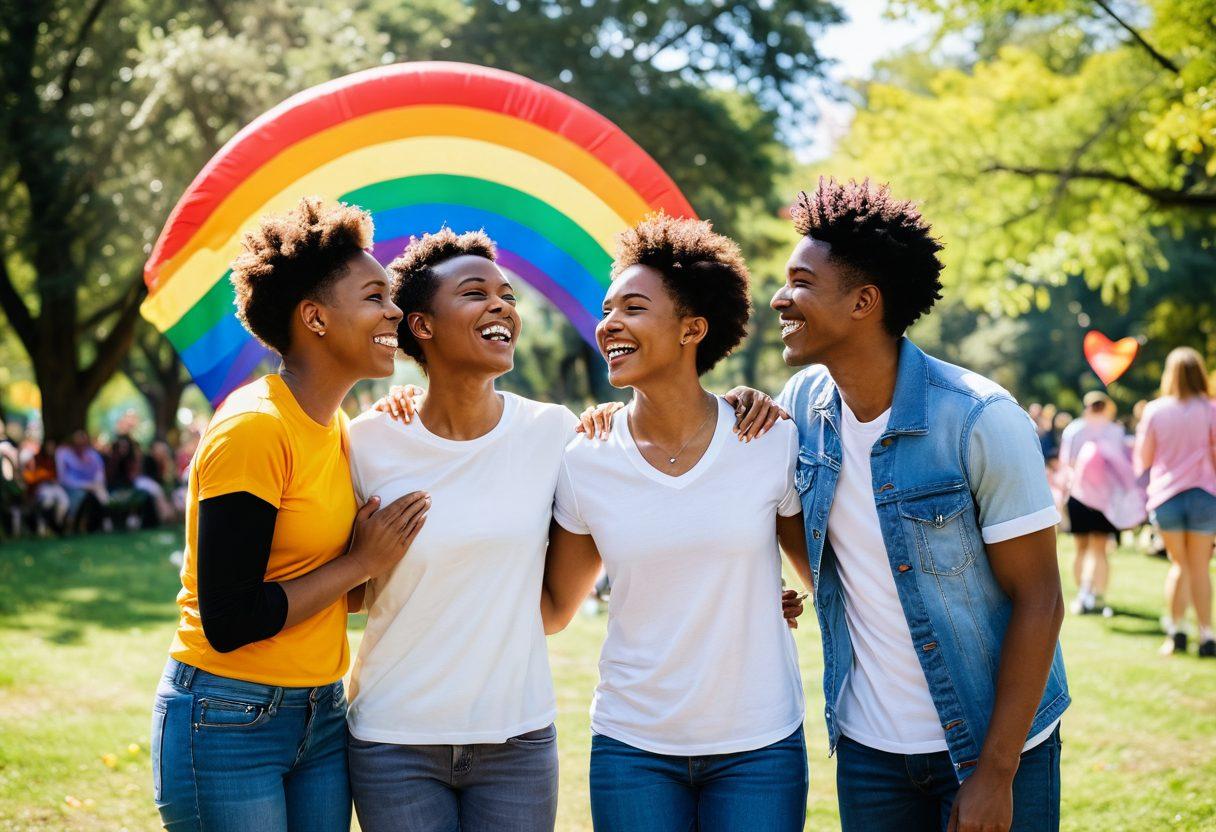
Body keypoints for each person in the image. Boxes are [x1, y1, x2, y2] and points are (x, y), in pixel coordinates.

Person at [351, 227, 796, 832]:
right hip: (406, 734)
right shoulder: (373, 441)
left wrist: (746, 595)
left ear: (693, 328)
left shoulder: (559, 435)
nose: (502, 305)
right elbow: (350, 588)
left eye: (507, 294)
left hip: (532, 739)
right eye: (477, 293)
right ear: (422, 326)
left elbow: (816, 560)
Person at [771, 178, 1067, 832]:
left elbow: (1040, 598)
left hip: (991, 750)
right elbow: (793, 518)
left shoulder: (978, 419)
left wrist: (995, 772)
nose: (779, 298)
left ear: (863, 302)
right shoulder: (801, 404)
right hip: (869, 752)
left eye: (799, 282)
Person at [151, 197, 429, 832]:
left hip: (322, 715)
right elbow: (229, 619)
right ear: (315, 318)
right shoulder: (254, 430)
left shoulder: (334, 427)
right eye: (374, 297)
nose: (395, 312)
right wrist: (362, 561)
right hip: (225, 718)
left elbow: (335, 594)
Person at [542, 215, 813, 832]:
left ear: (693, 328)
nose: (609, 323)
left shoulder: (768, 440)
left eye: (634, 308)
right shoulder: (586, 458)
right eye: (608, 309)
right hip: (632, 746)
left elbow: (824, 575)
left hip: (759, 743)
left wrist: (757, 596)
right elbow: (556, 607)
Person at [1134, 347, 1216, 657]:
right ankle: (1207, 636)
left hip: (1166, 497)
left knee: (1179, 565)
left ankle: (1176, 633)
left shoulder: (1155, 410)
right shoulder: (1211, 409)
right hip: (1204, 495)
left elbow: (1143, 458)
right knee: (1199, 567)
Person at [1059, 391, 1135, 615]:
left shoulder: (1074, 429)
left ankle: (1083, 592)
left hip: (1079, 494)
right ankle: (1097, 594)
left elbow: (1067, 464)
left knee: (1081, 548)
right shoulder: (1115, 430)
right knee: (1100, 548)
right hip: (1105, 497)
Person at [55, 429, 108, 532]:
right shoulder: (63, 453)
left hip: (92, 487)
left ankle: (100, 525)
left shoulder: (92, 455)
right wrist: (85, 485)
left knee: (102, 497)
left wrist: (96, 484)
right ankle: (70, 524)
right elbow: (63, 478)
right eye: (77, 443)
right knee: (79, 496)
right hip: (70, 488)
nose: (81, 446)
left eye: (83, 443)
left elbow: (99, 473)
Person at [23, 439, 70, 534]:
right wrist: (43, 476)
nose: (50, 448)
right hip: (41, 486)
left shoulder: (55, 459)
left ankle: (57, 524)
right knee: (47, 502)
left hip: (54, 486)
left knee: (64, 502)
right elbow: (30, 477)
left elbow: (58, 475)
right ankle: (43, 526)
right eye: (49, 446)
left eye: (52, 446)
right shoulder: (35, 459)